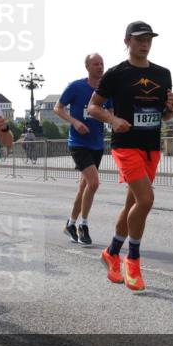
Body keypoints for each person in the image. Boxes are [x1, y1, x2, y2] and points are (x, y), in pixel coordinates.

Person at [90, 21, 173, 293]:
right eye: (139, 39)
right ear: (127, 41)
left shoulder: (163, 74)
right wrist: (113, 120)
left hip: (151, 147)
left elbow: (164, 116)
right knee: (146, 200)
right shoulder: (116, 74)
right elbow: (93, 107)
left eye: (148, 39)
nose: (144, 43)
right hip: (126, 145)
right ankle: (133, 260)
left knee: (133, 204)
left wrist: (171, 109)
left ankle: (112, 252)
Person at [55, 53, 112, 244]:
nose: (100, 67)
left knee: (84, 187)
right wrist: (75, 122)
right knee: (93, 183)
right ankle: (83, 225)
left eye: (102, 63)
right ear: (87, 67)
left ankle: (70, 223)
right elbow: (58, 108)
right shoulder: (76, 86)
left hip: (97, 143)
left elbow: (111, 112)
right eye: (95, 64)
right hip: (78, 143)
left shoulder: (106, 90)